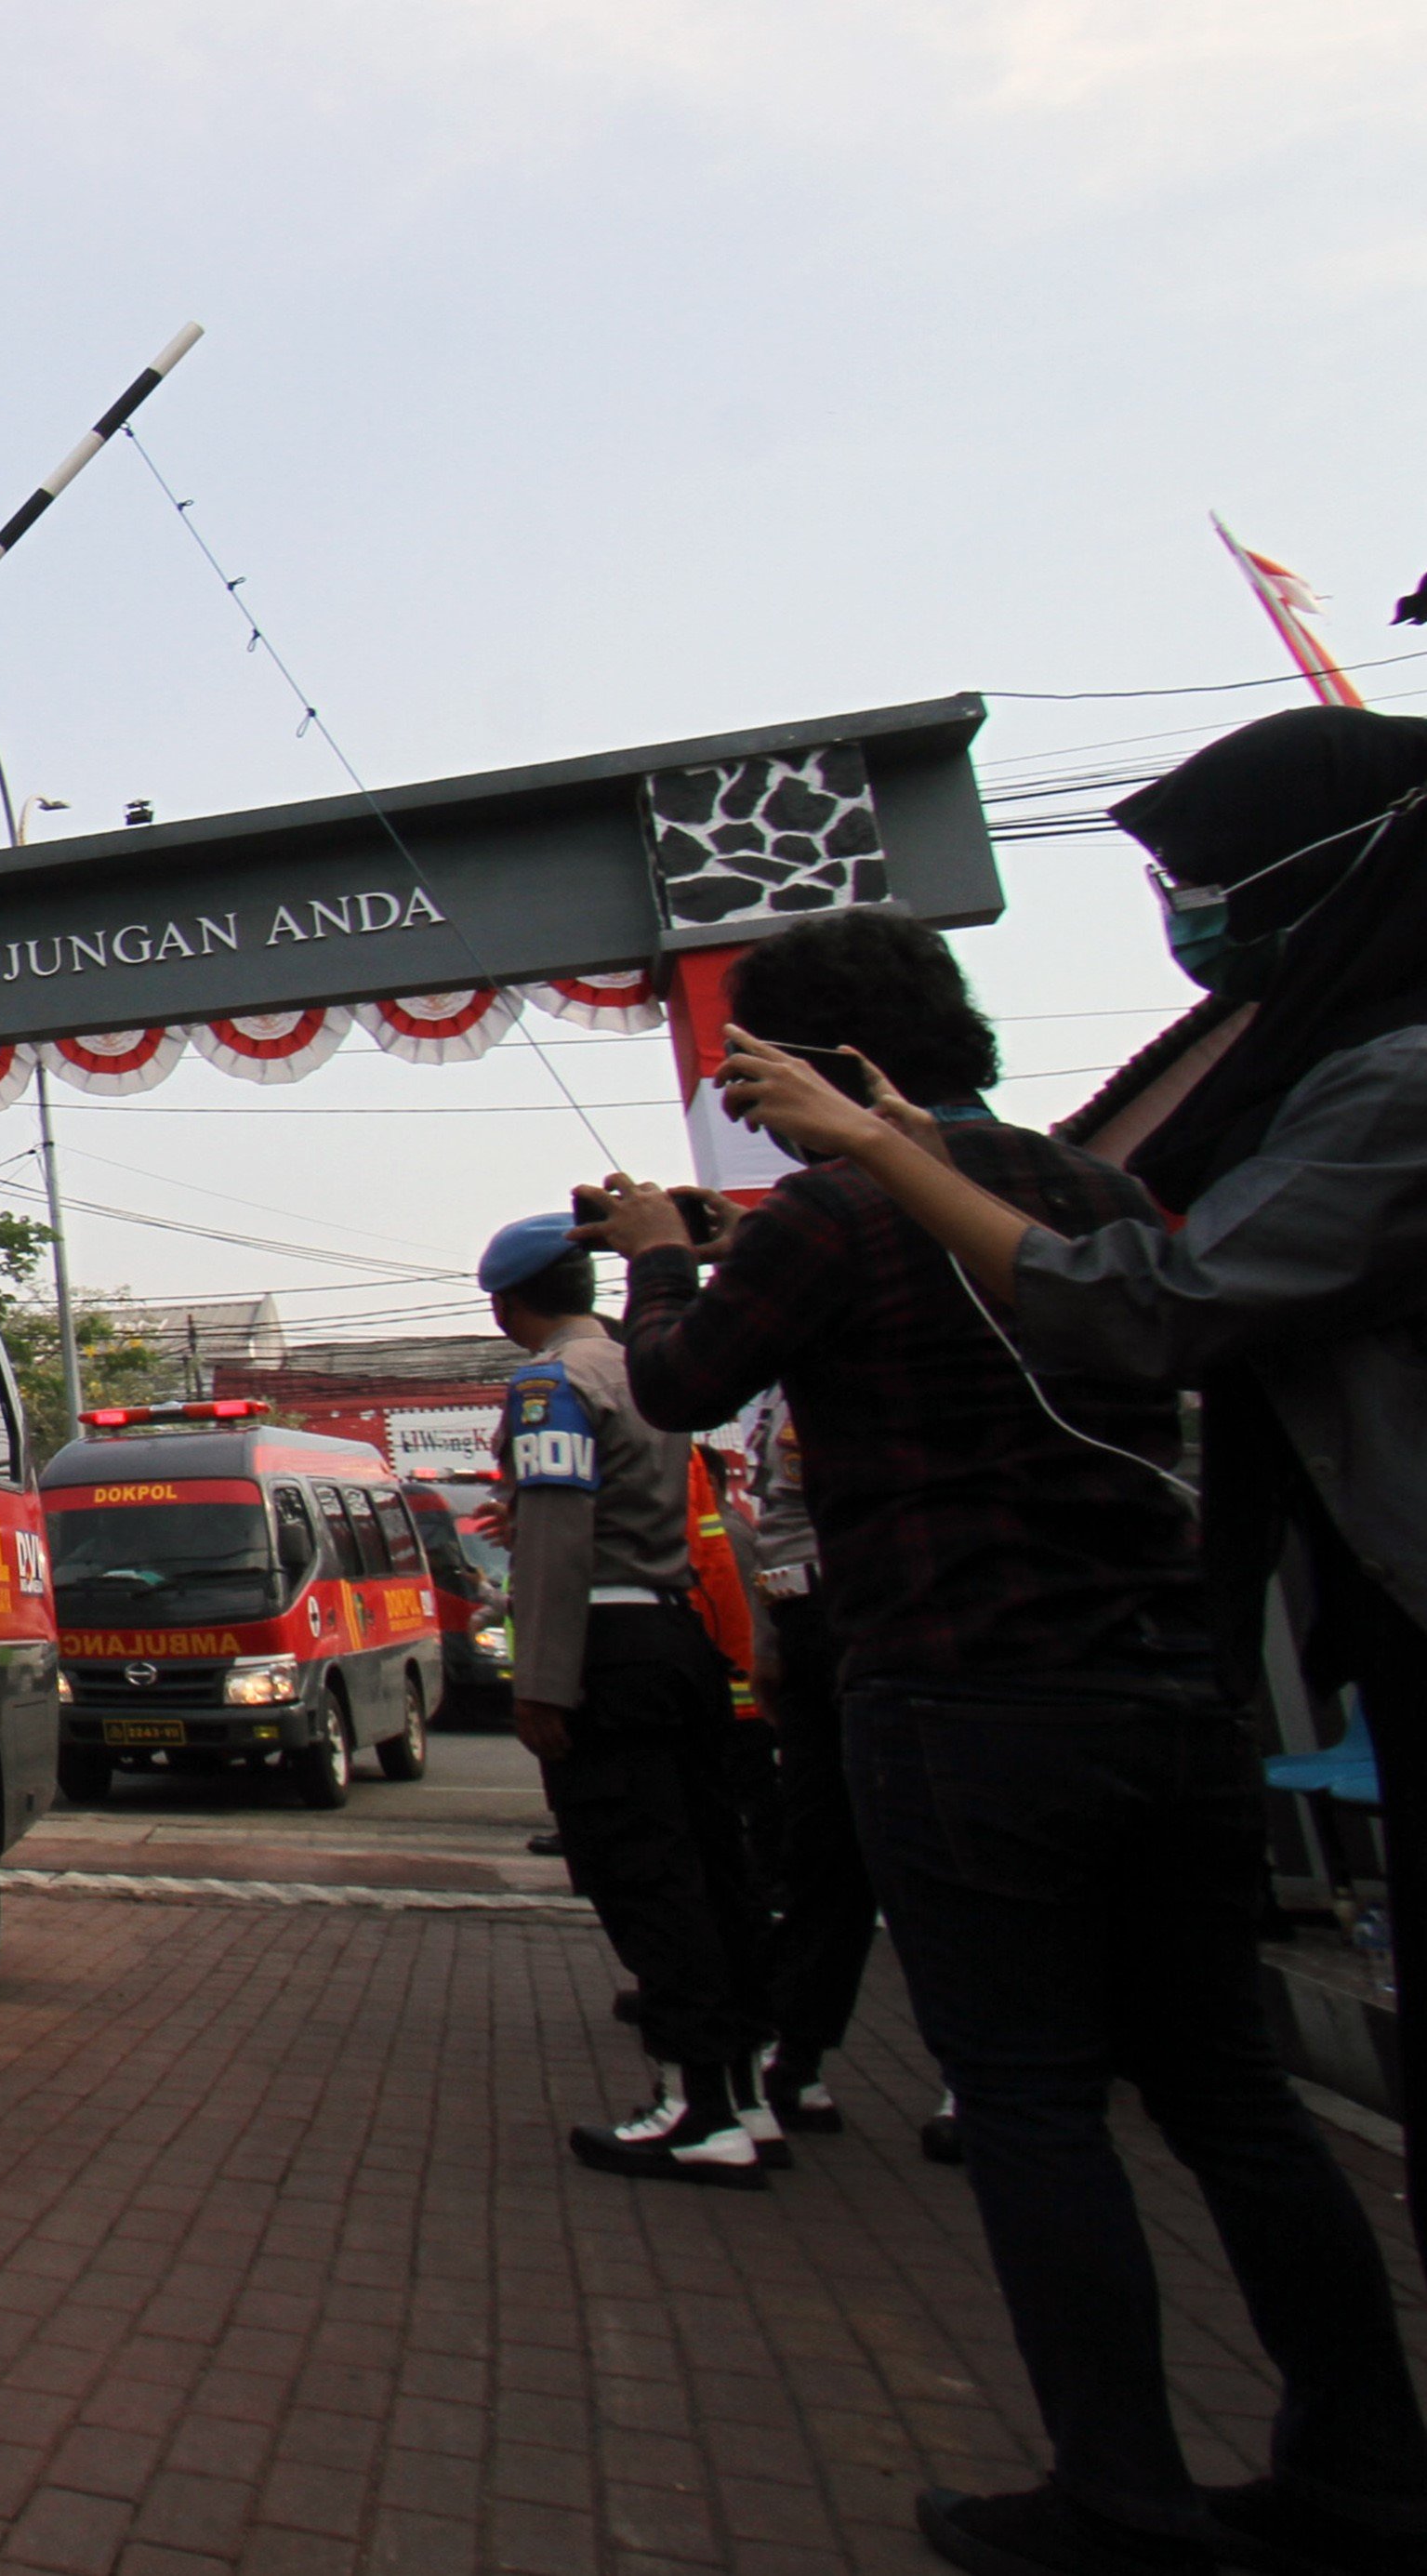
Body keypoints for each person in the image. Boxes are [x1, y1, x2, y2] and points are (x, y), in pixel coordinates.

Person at [593, 907, 1427, 2576]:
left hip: (963, 1702)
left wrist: (662, 1250)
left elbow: (681, 1385)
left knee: (1032, 2100)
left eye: (751, 1064)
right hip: (1171, 1698)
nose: (742, 1095)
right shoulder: (1109, 1196)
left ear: (820, 1064)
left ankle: (1120, 2491)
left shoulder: (830, 1216)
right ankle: (1366, 2466)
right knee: (1232, 2097)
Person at [479, 1209, 773, 2187]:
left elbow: (558, 1536)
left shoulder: (548, 1383)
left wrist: (541, 1681)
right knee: (708, 1864)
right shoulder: (645, 1367)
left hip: (604, 1644)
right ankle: (742, 2088)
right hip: (674, 1629)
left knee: (642, 1872)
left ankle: (695, 2106)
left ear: (505, 1301)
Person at [735, 1380, 874, 2139]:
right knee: (821, 1849)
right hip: (810, 1620)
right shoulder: (780, 1387)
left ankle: (975, 2079)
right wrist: (770, 1636)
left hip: (903, 1608)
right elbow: (777, 1521)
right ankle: (797, 2054)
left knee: (940, 1850)